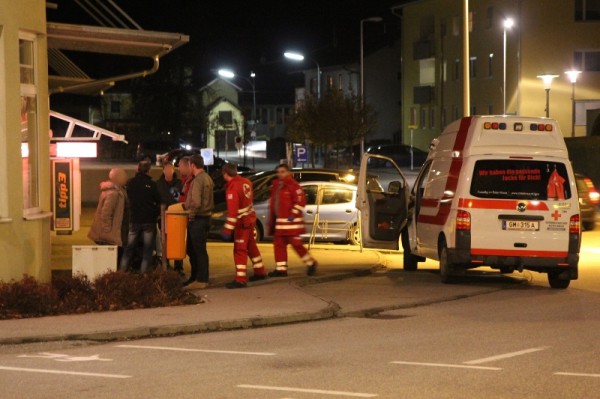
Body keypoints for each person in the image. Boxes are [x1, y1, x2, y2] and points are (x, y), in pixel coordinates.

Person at [221, 162, 267, 289]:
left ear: (225, 174)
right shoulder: (246, 182)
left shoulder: (232, 188)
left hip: (242, 223)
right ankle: (260, 271)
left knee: (239, 249)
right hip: (250, 219)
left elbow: (233, 212)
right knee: (251, 247)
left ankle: (240, 279)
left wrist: (227, 230)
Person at [267, 164, 318, 277]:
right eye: (278, 172)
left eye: (283, 171)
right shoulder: (277, 185)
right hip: (280, 223)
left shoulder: (294, 186)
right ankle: (281, 269)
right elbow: (274, 204)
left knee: (296, 245)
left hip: (292, 223)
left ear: (289, 172)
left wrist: (293, 214)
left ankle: (311, 263)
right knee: (279, 245)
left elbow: (301, 202)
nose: (280, 174)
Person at [119, 160, 161, 273]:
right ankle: (144, 274)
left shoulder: (131, 183)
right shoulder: (152, 184)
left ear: (137, 169)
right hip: (148, 220)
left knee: (129, 248)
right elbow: (159, 200)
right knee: (148, 250)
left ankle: (121, 272)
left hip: (134, 220)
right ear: (149, 170)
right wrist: (156, 212)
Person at [183, 154, 214, 290]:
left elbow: (196, 202)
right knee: (199, 249)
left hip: (198, 218)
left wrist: (190, 215)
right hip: (206, 217)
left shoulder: (198, 180)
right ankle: (197, 277)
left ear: (192, 165)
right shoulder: (207, 178)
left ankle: (200, 279)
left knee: (197, 250)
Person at [88, 168, 129, 265]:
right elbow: (106, 214)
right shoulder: (113, 193)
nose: (125, 178)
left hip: (115, 233)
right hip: (111, 235)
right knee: (114, 260)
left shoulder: (116, 190)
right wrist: (108, 232)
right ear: (117, 178)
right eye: (123, 175)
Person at [156, 162, 184, 274]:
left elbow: (179, 198)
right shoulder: (158, 184)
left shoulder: (179, 183)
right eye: (166, 169)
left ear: (173, 170)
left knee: (177, 240)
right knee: (164, 241)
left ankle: (178, 266)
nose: (168, 171)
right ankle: (165, 263)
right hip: (163, 217)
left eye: (170, 169)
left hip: (177, 216)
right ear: (163, 171)